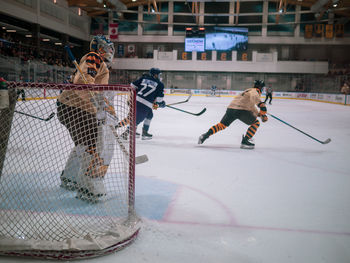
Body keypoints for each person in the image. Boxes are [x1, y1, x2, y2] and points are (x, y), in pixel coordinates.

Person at [56, 35, 116, 202]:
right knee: (93, 145)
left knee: (84, 144)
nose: (111, 51)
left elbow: (94, 89)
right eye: (108, 47)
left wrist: (103, 106)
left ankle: (70, 178)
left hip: (73, 107)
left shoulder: (101, 64)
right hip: (76, 107)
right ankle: (88, 187)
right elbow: (82, 83)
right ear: (100, 48)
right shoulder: (94, 57)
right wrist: (95, 98)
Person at [198, 80, 268, 149]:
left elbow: (251, 106)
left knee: (222, 125)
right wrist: (263, 109)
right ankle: (245, 141)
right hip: (241, 110)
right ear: (260, 87)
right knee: (256, 123)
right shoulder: (255, 91)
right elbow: (255, 99)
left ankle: (205, 135)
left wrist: (260, 114)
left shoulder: (247, 91)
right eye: (263, 88)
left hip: (231, 109)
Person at [120, 68, 165, 140]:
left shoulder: (143, 78)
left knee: (150, 115)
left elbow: (132, 86)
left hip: (136, 100)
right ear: (155, 75)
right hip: (145, 104)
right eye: (159, 75)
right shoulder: (160, 84)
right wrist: (162, 104)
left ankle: (144, 133)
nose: (160, 76)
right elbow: (159, 100)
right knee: (136, 120)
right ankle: (125, 134)